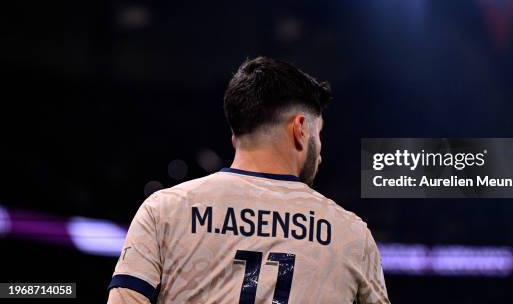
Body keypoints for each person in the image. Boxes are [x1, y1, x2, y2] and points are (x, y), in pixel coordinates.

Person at [107, 56, 389, 303]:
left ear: (236, 136)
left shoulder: (163, 211)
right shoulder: (351, 233)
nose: (321, 152)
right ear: (300, 128)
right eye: (319, 133)